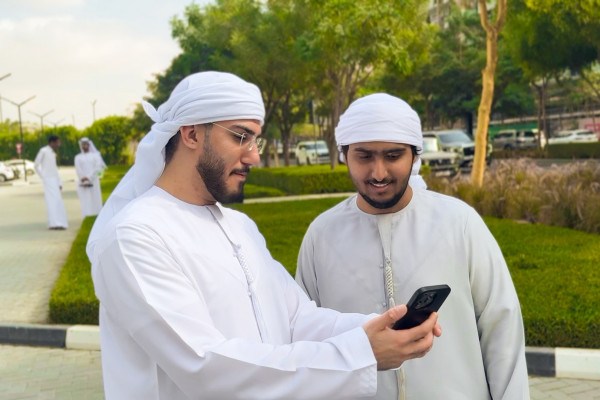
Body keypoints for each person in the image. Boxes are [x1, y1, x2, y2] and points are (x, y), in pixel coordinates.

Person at [87, 72, 442, 399]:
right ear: (191, 133)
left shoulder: (239, 226)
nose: (254, 156)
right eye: (240, 136)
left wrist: (380, 328)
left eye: (256, 139)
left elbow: (297, 320)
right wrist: (360, 354)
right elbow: (207, 366)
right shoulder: (134, 236)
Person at [295, 93, 530, 399]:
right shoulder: (322, 235)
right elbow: (304, 339)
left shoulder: (459, 223)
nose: (379, 173)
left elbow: (502, 329)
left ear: (415, 155)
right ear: (344, 154)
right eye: (364, 156)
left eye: (393, 156)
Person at [34, 135, 68, 230]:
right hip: (48, 180)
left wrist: (59, 182)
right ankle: (54, 224)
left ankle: (60, 222)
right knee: (51, 201)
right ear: (52, 142)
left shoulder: (53, 153)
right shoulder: (43, 151)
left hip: (54, 180)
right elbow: (36, 165)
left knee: (57, 201)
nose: (59, 144)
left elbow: (55, 169)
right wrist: (43, 176)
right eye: (57, 142)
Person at [74, 137, 106, 217]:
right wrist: (83, 178)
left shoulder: (96, 155)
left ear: (89, 145)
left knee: (95, 197)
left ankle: (97, 213)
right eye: (82, 145)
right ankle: (86, 214)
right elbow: (78, 168)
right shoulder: (78, 157)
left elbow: (98, 167)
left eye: (85, 144)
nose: (84, 146)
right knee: (85, 198)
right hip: (82, 181)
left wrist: (89, 177)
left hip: (94, 180)